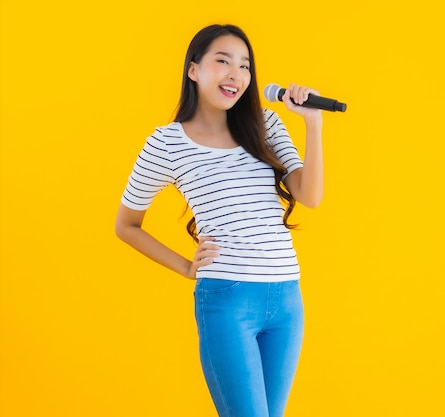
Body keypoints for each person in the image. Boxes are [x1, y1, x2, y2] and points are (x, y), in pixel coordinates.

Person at [115, 24, 324, 417]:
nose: (236, 74)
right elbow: (126, 225)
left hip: (286, 298)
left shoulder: (266, 125)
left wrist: (312, 123)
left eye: (244, 66)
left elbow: (310, 196)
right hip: (227, 300)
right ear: (194, 70)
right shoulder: (167, 142)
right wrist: (185, 267)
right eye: (223, 61)